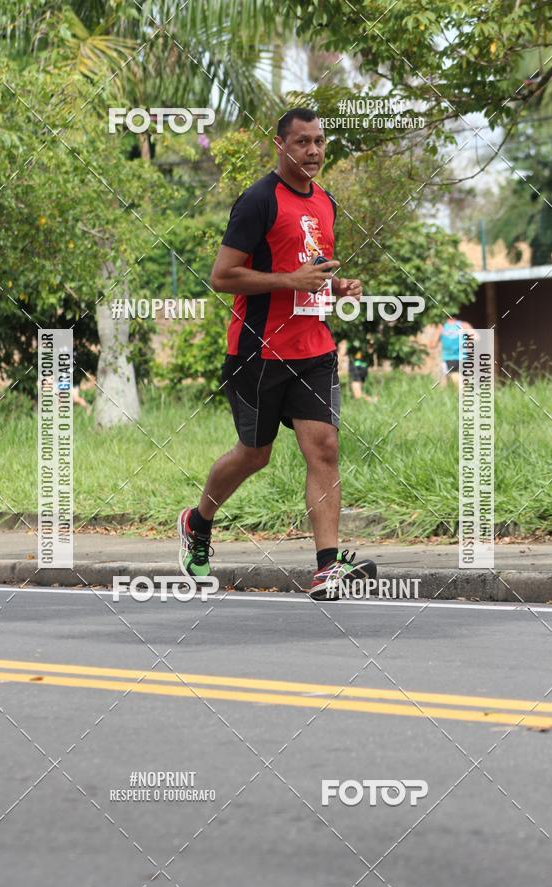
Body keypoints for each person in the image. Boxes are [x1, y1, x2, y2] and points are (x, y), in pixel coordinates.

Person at [177, 107, 376, 600]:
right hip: (258, 352)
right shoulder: (258, 201)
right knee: (254, 454)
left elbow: (311, 274)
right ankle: (198, 522)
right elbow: (222, 277)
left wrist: (336, 287)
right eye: (303, 142)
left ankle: (327, 567)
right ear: (280, 144)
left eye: (319, 142)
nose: (313, 151)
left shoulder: (325, 203)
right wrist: (291, 281)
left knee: (324, 449)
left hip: (314, 348)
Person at [430, 316, 477, 386]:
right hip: (464, 358)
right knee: (462, 381)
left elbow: (432, 345)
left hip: (448, 358)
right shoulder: (464, 325)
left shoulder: (441, 327)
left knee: (449, 383)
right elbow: (476, 338)